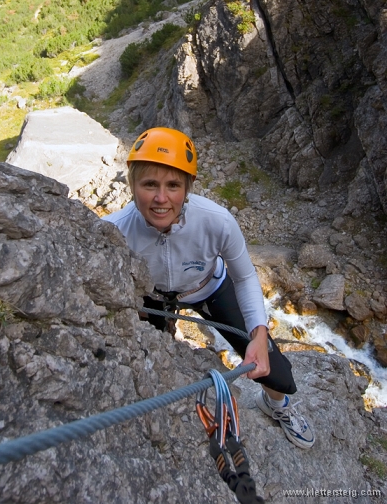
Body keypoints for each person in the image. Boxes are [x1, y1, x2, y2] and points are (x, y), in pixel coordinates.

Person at [104, 127, 314, 450]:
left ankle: (277, 404)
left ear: (188, 188)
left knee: (277, 373)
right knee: (147, 363)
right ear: (132, 185)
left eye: (173, 185)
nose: (161, 198)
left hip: (209, 288)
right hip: (153, 297)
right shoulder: (115, 230)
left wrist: (258, 334)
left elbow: (244, 277)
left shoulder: (217, 221)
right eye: (150, 185)